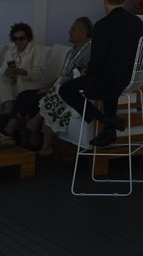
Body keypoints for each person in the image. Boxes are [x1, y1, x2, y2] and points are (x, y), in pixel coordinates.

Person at [60, 0, 143, 147]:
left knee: (67, 89)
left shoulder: (102, 26)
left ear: (105, 0)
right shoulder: (138, 23)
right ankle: (109, 128)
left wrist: (87, 75)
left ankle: (108, 120)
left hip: (112, 80)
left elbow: (97, 61)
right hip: (133, 77)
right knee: (110, 76)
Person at [19, 18, 93, 156]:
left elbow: (78, 76)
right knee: (27, 95)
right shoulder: (72, 52)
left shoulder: (90, 50)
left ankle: (36, 131)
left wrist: (50, 88)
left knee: (43, 98)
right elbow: (63, 75)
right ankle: (38, 141)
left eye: (73, 29)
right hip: (60, 86)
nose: (69, 32)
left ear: (83, 33)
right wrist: (48, 85)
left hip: (74, 89)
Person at [0, 23, 47, 129]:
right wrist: (8, 72)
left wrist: (22, 72)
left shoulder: (37, 50)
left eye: (21, 38)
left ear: (28, 38)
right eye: (15, 39)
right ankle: (8, 105)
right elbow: (3, 74)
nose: (18, 41)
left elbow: (39, 75)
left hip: (29, 87)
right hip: (14, 85)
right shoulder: (11, 51)